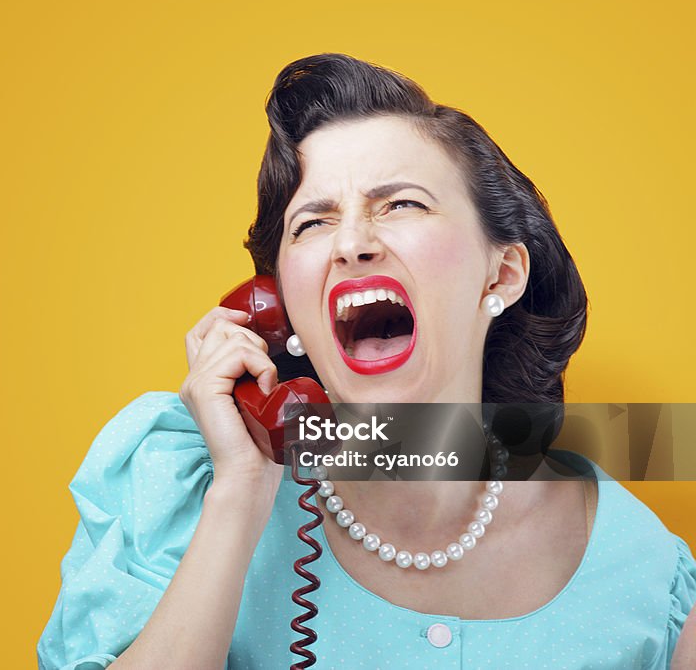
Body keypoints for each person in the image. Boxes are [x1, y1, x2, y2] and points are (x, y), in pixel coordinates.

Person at [37, 54, 696, 669]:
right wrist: (239, 491)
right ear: (280, 302)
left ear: (501, 274)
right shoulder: (176, 484)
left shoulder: (645, 569)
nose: (351, 242)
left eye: (401, 203)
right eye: (312, 223)